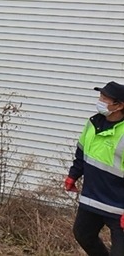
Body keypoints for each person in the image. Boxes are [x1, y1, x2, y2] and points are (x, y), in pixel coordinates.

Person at [65, 81, 124, 255]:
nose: (100, 100)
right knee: (83, 234)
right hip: (93, 198)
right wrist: (73, 175)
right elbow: (81, 152)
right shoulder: (92, 124)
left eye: (105, 98)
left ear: (119, 105)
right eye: (101, 96)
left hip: (119, 207)